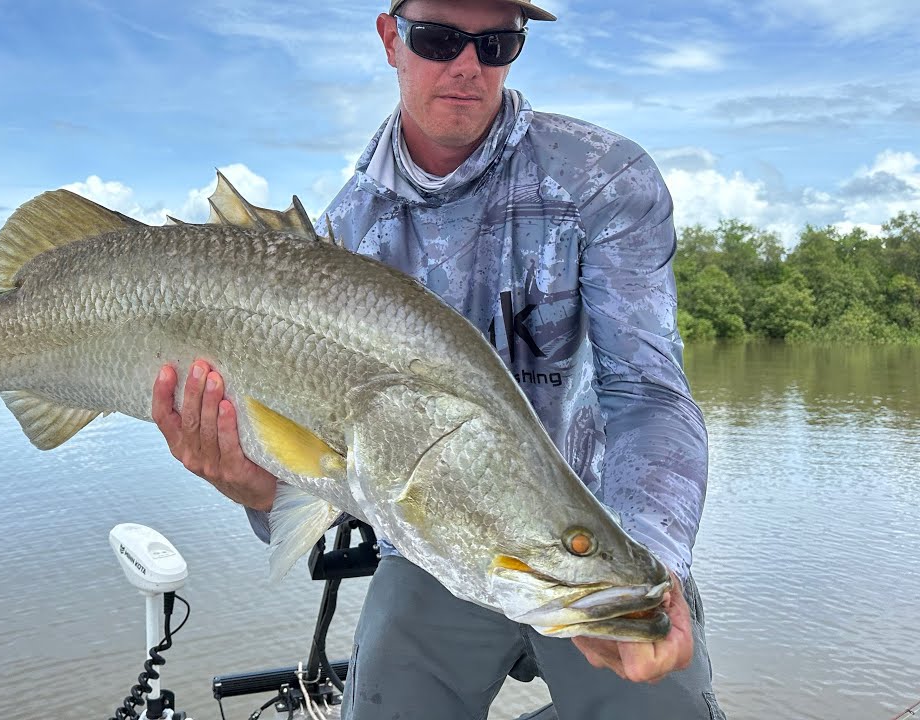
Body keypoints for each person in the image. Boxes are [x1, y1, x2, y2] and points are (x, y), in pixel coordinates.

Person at [151, 0, 725, 717]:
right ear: (391, 38)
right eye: (438, 38)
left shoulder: (604, 178)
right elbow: (309, 471)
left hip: (597, 531)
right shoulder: (340, 240)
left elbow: (647, 392)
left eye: (496, 42)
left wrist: (650, 554)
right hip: (426, 540)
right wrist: (257, 490)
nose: (467, 65)